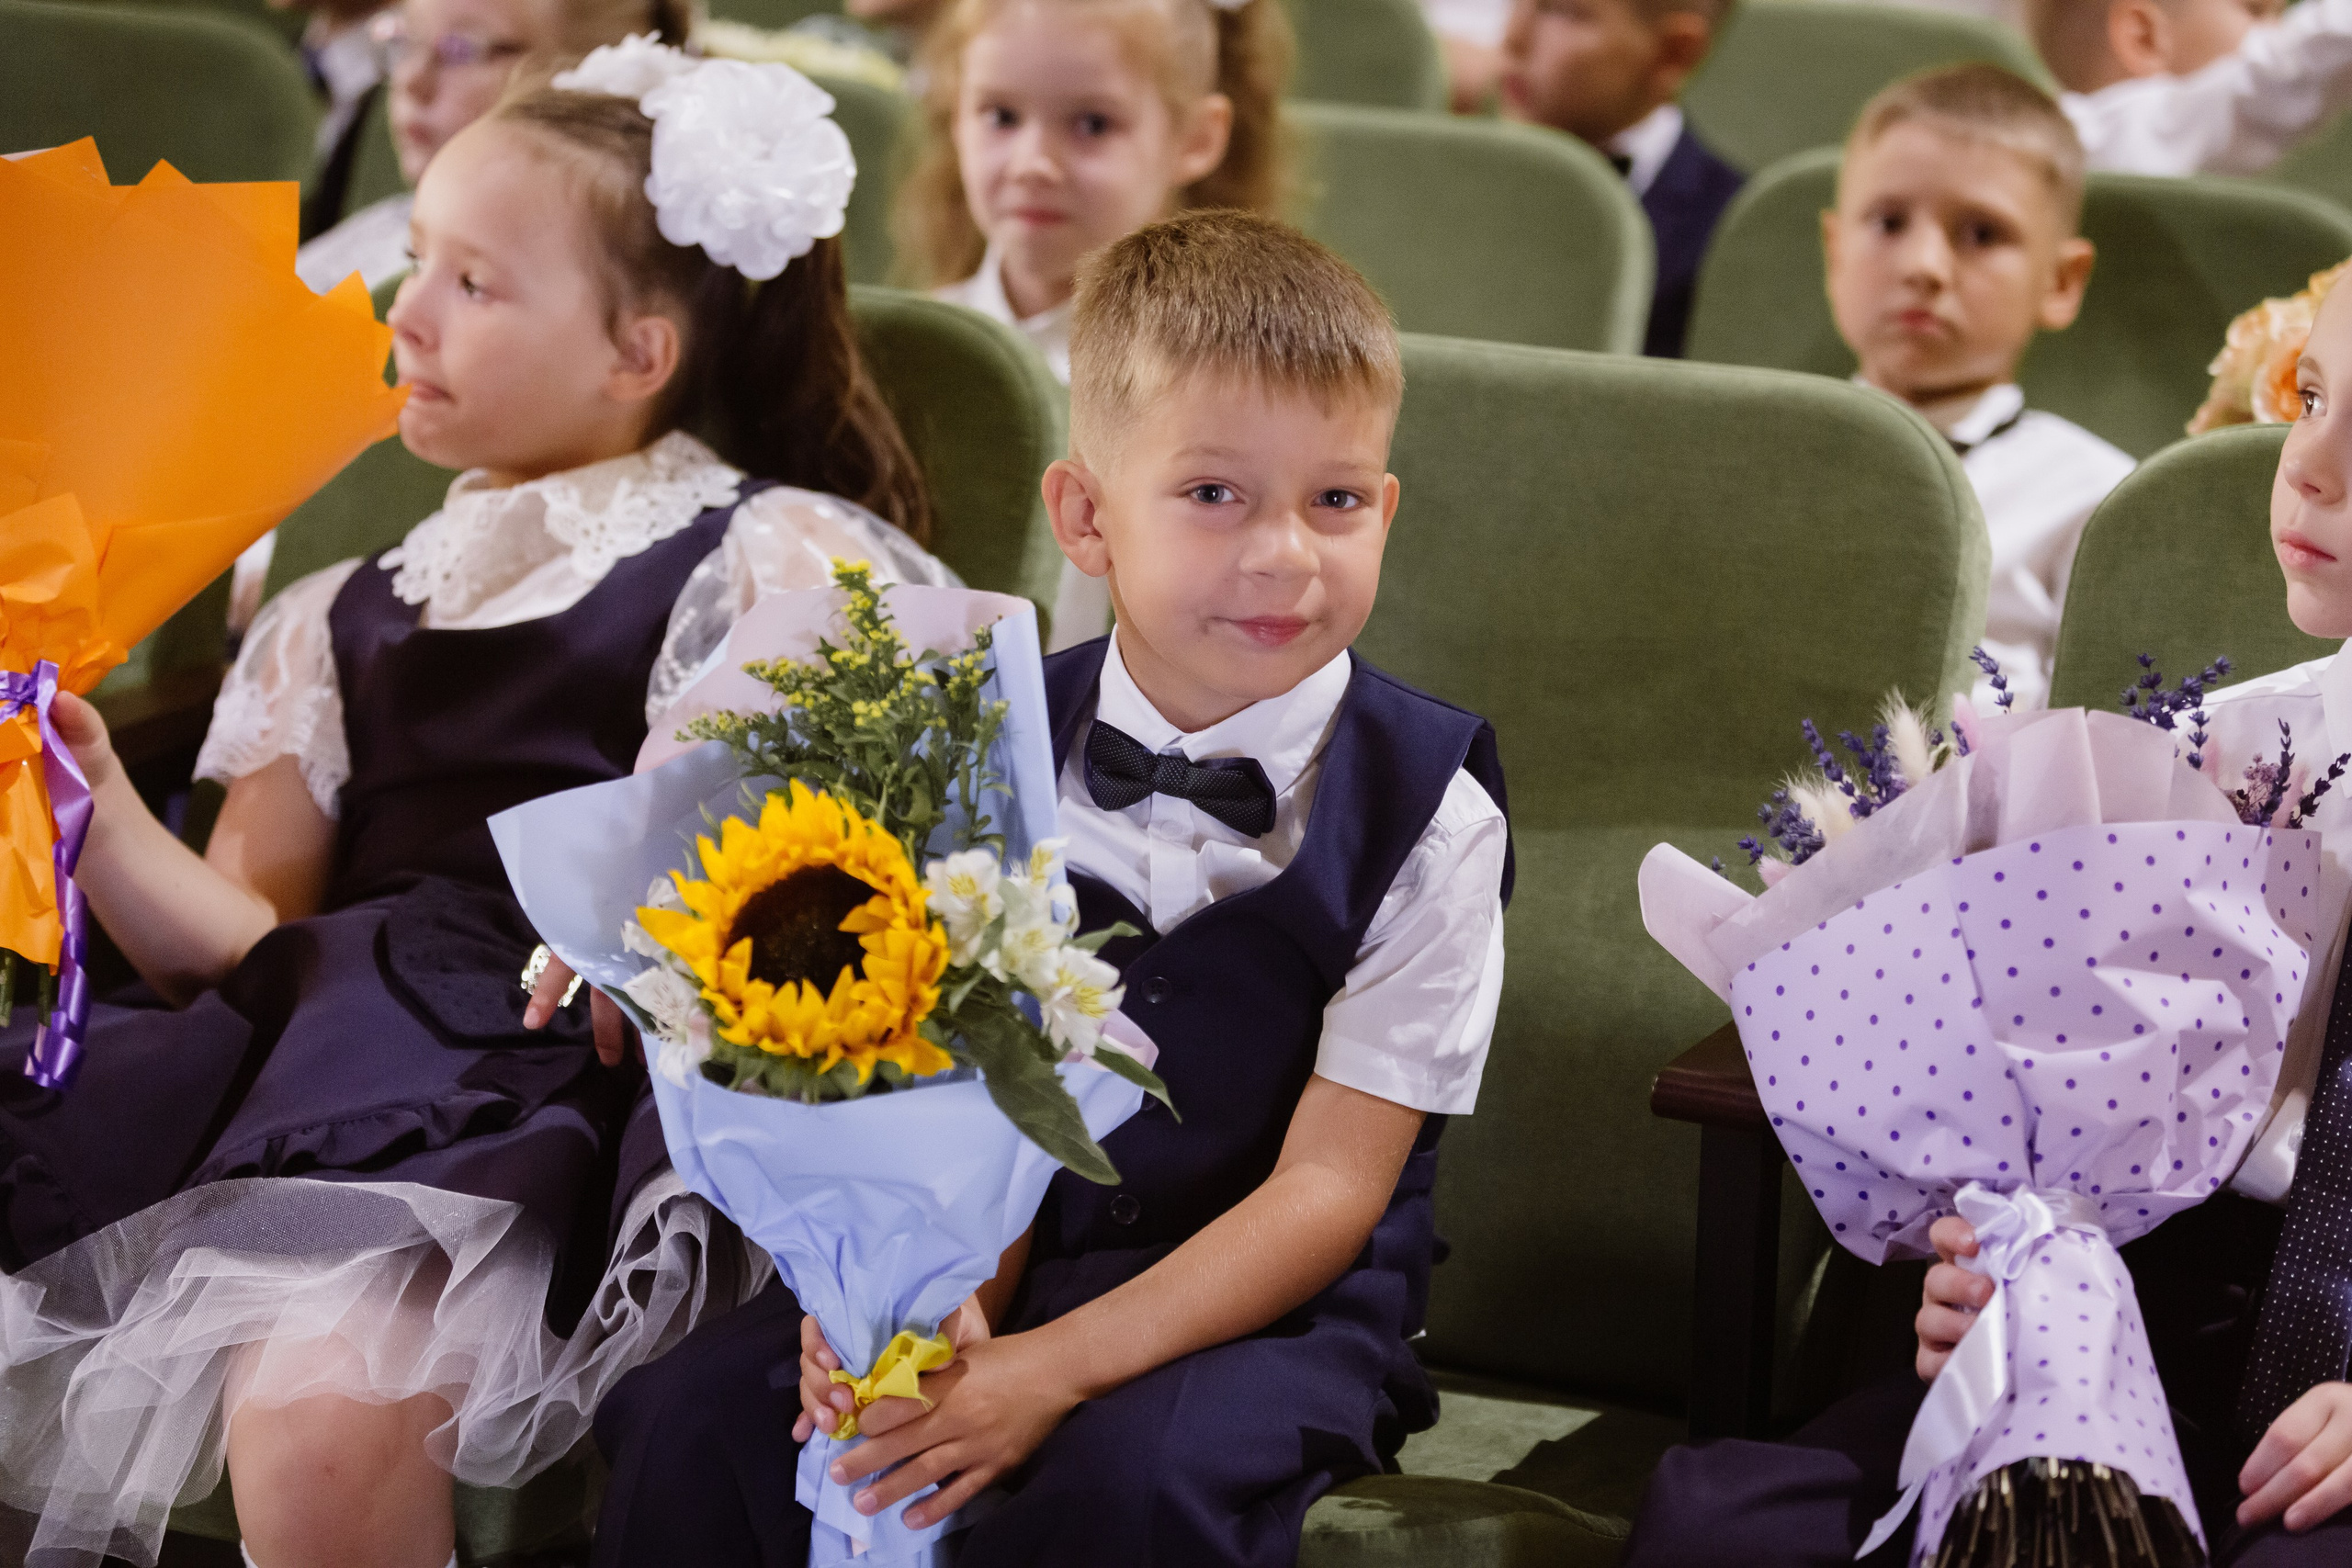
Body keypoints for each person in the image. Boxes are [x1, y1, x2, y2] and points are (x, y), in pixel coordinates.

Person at [0, 48, 953, 1568]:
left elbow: (792, 863)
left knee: (322, 1394)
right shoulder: (333, 613)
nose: (407, 314)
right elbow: (244, 950)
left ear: (640, 349)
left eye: (476, 284)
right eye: (414, 262)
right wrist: (98, 799)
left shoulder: (764, 559)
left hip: (551, 1071)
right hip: (310, 1059)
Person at [588, 209, 1514, 1568]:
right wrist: (922, 1316)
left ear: (1383, 506)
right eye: (1214, 494)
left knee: (1127, 1492)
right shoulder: (981, 738)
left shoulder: (1432, 803)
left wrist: (1049, 1370)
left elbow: (1330, 1186)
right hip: (995, 1265)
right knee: (693, 1424)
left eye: (1335, 498)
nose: (1284, 553)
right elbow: (941, 1088)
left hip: (1272, 1314)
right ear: (1085, 515)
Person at [1623, 220, 2352, 1568]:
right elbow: (2090, 1105)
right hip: (2155, 1332)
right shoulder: (2228, 754)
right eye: (2311, 399)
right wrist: (2009, 1257)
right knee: (1733, 1524)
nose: (2307, 466)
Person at [898, 0, 1292, 650]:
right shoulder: (920, 343)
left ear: (1195, 138)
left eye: (1092, 123)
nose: (1033, 162)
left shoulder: (1223, 375)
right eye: (1000, 116)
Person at [1826, 64, 2132, 713]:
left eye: (1982, 234)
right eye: (1888, 223)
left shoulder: (2100, 497)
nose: (1923, 266)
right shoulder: (1760, 456)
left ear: (2061, 281)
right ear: (1834, 253)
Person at [293, 0, 689, 296]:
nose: (412, 79)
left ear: (585, 78)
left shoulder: (519, 294)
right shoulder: (390, 220)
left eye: (461, 49)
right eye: (406, 40)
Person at [1496, 0, 1743, 358]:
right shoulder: (1439, 180)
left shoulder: (1731, 234)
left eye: (1562, 11)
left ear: (1673, 53)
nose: (1512, 38)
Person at [2024, 0, 2352, 176]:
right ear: (2144, 38)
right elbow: (2279, 72)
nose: (2277, 31)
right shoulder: (2120, 131)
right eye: (2256, 10)